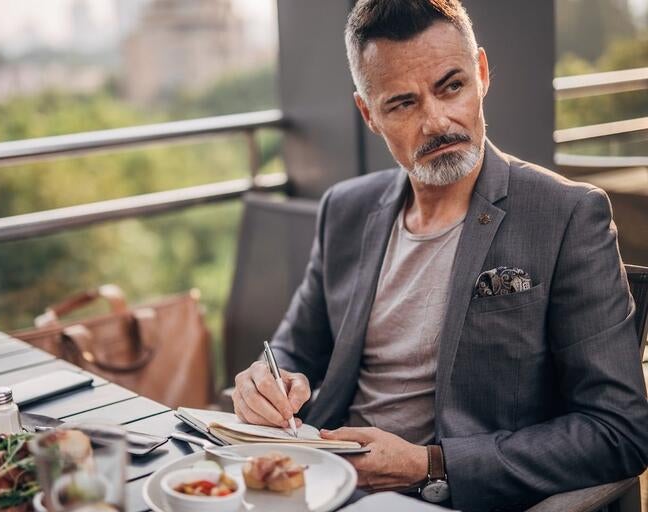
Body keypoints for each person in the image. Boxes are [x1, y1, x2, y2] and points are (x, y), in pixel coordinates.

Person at [230, 1, 648, 510]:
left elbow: (620, 431)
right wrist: (268, 383)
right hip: (320, 483)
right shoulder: (345, 209)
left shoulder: (567, 216)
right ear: (368, 114)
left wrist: (432, 463)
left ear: (482, 73)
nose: (436, 121)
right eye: (402, 104)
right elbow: (295, 352)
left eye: (452, 87)